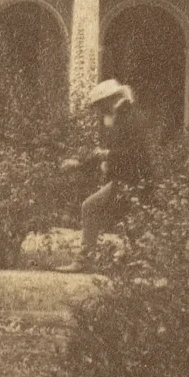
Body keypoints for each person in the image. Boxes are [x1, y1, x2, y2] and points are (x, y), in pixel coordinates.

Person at [59, 78, 155, 273]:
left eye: (99, 106)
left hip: (134, 182)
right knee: (129, 221)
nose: (98, 111)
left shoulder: (130, 119)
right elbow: (108, 153)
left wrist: (108, 154)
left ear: (109, 100)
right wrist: (80, 164)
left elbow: (139, 154)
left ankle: (85, 260)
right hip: (127, 181)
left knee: (91, 207)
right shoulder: (122, 117)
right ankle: (142, 262)